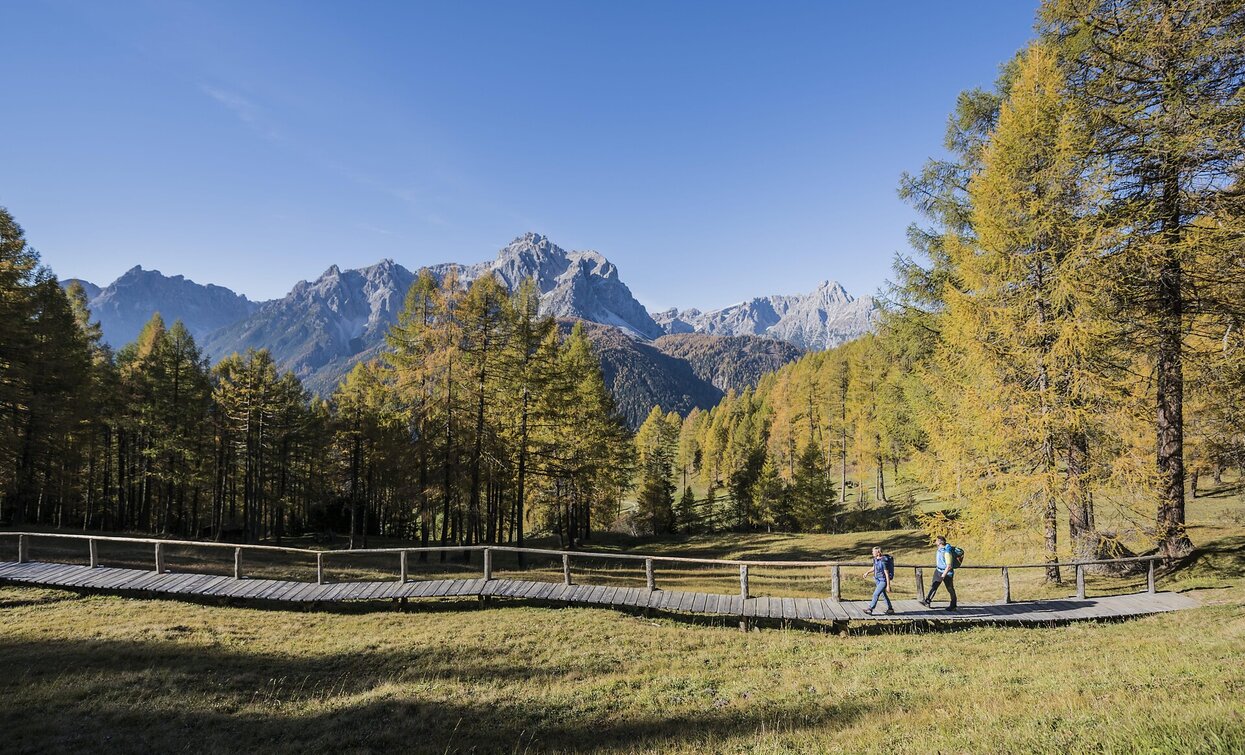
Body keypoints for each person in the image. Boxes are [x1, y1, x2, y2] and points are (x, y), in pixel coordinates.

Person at [920, 535, 958, 611]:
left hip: (947, 573)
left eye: (936, 540)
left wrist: (943, 575)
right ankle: (927, 601)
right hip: (938, 570)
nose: (935, 542)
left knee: (950, 588)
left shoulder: (947, 552)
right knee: (934, 586)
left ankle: (953, 604)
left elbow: (949, 566)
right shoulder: (940, 549)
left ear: (940, 542)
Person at [861, 546, 894, 615]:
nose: (872, 553)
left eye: (873, 551)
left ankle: (870, 609)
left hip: (883, 581)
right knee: (883, 595)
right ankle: (890, 609)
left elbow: (887, 574)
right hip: (877, 580)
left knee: (875, 594)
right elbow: (874, 567)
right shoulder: (876, 559)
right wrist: (867, 572)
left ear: (878, 552)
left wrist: (888, 585)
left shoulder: (884, 561)